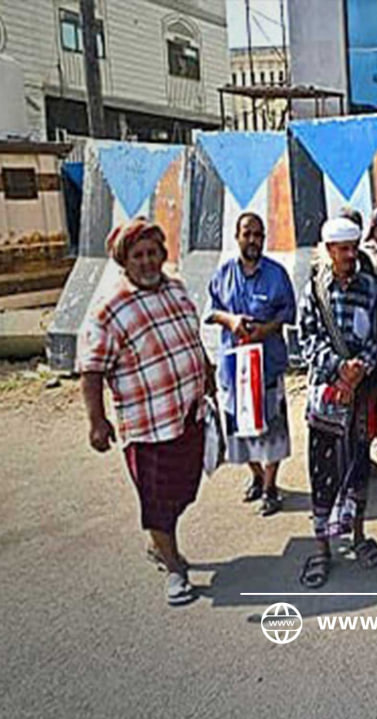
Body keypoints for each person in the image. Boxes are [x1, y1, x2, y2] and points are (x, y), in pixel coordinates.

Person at [79, 219, 212, 606]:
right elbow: (91, 371)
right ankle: (173, 569)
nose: (147, 261)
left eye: (153, 252)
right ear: (125, 261)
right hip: (147, 427)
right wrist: (96, 421)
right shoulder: (109, 309)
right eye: (138, 255)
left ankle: (158, 542)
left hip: (187, 415)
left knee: (184, 490)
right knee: (157, 499)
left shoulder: (176, 288)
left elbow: (192, 338)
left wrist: (208, 373)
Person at [297, 216, 377, 588]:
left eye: (353, 248)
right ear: (329, 251)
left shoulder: (371, 287)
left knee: (358, 468)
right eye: (343, 249)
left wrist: (359, 369)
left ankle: (359, 536)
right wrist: (338, 369)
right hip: (326, 397)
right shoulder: (314, 290)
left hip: (359, 396)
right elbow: (307, 339)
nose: (350, 255)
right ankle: (322, 549)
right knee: (323, 472)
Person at [205, 212, 296, 517]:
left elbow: (288, 312)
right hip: (235, 370)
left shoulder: (276, 274)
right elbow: (211, 310)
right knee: (240, 431)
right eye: (248, 234)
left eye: (259, 235)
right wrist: (231, 320)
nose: (253, 240)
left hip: (267, 366)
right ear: (237, 236)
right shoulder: (223, 274)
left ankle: (271, 488)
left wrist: (265, 329)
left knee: (272, 429)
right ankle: (256, 475)